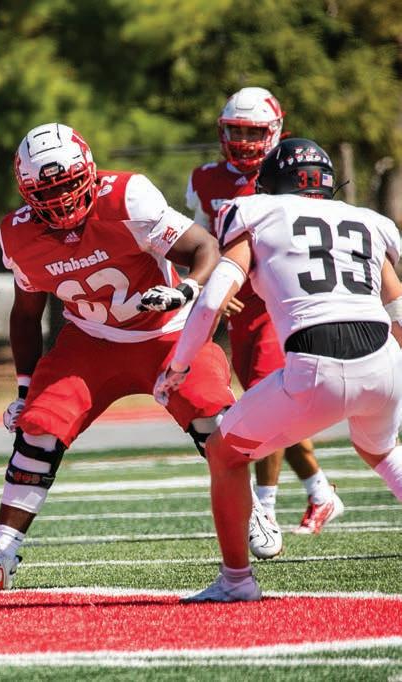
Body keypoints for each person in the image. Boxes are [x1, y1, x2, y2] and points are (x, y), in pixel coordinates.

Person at [0, 122, 234, 590]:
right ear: (27, 194)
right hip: (91, 339)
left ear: (89, 172)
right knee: (38, 428)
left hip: (166, 332)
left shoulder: (128, 198)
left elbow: (205, 246)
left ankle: (248, 509)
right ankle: (1, 555)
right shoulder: (17, 235)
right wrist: (24, 390)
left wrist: (185, 289)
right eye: (47, 192)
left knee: (212, 418)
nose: (61, 199)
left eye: (67, 184)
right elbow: (26, 314)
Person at [155, 138, 402, 602]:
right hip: (384, 362)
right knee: (382, 451)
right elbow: (397, 311)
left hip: (315, 361)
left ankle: (236, 581)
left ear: (270, 184)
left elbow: (211, 300)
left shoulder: (256, 212)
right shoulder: (367, 221)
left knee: (225, 455)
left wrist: (179, 365)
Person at [186, 87, 343, 548]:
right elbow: (203, 242)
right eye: (235, 130)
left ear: (275, 131)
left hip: (282, 299)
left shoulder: (290, 171)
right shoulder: (205, 179)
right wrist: (214, 286)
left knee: (265, 398)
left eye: (253, 132)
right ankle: (320, 492)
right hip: (239, 303)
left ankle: (266, 507)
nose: (243, 141)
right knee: (269, 401)